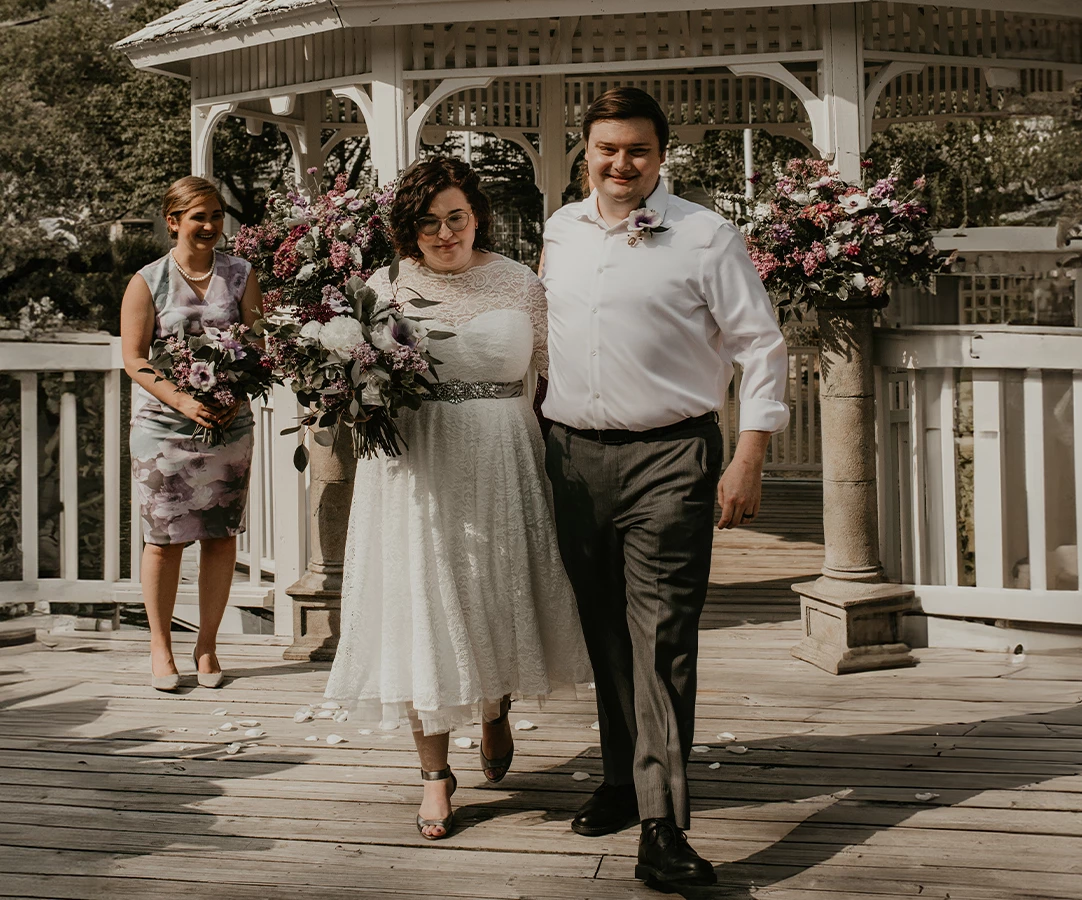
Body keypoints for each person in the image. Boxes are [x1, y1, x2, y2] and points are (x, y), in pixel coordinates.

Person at [541, 87, 790, 890]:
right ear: (587, 151)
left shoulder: (706, 236)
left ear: (660, 155)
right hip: (571, 458)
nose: (622, 164)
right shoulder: (559, 231)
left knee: (662, 640)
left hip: (672, 458)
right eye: (608, 149)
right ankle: (622, 780)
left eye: (638, 151)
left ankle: (662, 826)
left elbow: (762, 347)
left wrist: (749, 455)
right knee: (604, 632)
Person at [323, 157, 592, 841]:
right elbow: (351, 383)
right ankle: (435, 776)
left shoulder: (522, 283)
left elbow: (561, 378)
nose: (445, 233)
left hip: (505, 457)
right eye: (428, 222)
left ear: (477, 216)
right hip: (416, 468)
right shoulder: (380, 289)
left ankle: (494, 705)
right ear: (408, 229)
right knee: (422, 606)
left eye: (456, 218)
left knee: (493, 595)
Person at [120, 176, 264, 692]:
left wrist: (229, 397)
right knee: (163, 541)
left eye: (216, 215)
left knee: (220, 537)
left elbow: (256, 347)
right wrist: (181, 399)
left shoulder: (242, 274)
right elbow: (134, 358)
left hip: (228, 427)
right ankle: (161, 648)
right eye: (198, 216)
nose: (209, 225)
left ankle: (207, 645)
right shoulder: (147, 281)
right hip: (162, 430)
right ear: (174, 221)